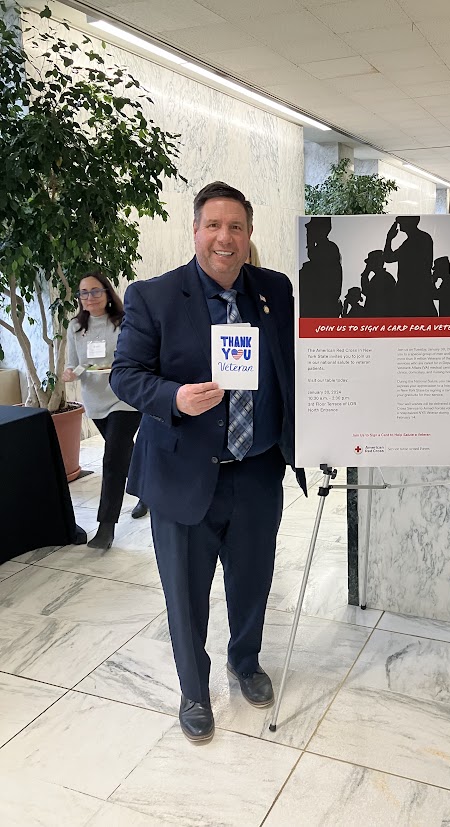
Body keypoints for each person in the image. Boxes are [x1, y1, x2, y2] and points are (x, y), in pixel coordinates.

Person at [111, 181, 305, 744]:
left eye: (236, 227)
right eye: (214, 225)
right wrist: (173, 397)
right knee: (186, 593)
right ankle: (194, 691)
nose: (225, 237)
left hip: (258, 470)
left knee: (254, 580)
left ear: (249, 234)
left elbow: (292, 366)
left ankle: (245, 661)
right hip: (184, 474)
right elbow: (126, 375)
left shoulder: (275, 290)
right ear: (195, 230)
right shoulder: (154, 296)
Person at [63, 273, 147, 550]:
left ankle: (106, 526)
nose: (90, 297)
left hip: (124, 397)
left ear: (108, 293)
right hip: (96, 401)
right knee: (122, 453)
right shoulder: (75, 327)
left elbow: (136, 357)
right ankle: (146, 490)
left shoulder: (124, 322)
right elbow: (75, 364)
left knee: (112, 457)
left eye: (95, 291)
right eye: (84, 293)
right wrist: (71, 373)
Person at [383, 216, 436, 317]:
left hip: (413, 293)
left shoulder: (418, 240)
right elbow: (388, 258)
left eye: (401, 220)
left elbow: (388, 258)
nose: (399, 223)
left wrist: (389, 239)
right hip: (413, 293)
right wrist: (389, 238)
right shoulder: (414, 241)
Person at [298, 217, 343, 318]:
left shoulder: (329, 248)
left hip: (321, 308)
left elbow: (314, 257)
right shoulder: (324, 248)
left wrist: (310, 243)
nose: (308, 231)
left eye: (311, 228)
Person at [360, 249, 396, 317]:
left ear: (376, 262)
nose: (367, 265)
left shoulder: (383, 277)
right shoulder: (377, 277)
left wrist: (365, 274)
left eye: (370, 262)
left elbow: (366, 292)